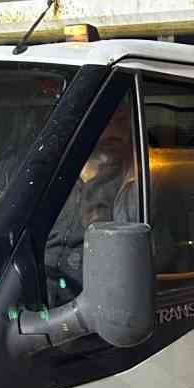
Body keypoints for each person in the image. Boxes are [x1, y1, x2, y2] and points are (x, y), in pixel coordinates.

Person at [46, 101, 140, 300]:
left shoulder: (138, 185)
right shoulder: (51, 175)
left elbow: (153, 263)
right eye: (106, 122)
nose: (116, 132)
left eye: (122, 122)